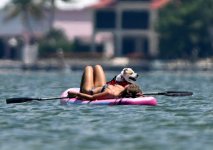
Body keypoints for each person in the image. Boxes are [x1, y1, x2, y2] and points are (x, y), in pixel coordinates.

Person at [68, 65, 143, 101]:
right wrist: (76, 94)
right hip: (96, 89)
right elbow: (91, 98)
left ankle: (83, 88)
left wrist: (77, 94)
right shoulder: (111, 92)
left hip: (91, 91)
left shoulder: (124, 88)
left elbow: (91, 98)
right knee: (98, 66)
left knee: (89, 68)